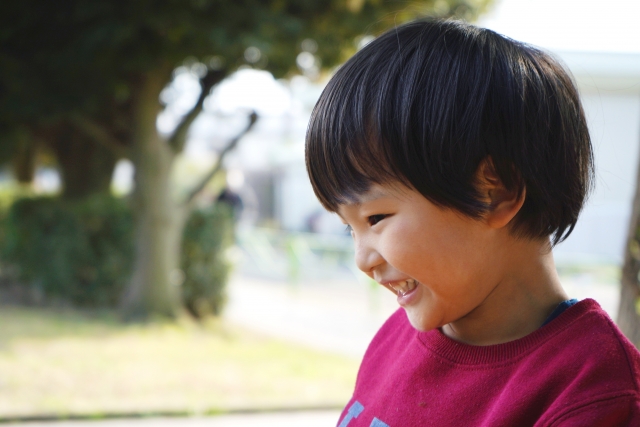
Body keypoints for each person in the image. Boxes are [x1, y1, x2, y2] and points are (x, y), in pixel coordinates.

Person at [305, 19, 640, 426]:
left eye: (376, 217)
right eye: (349, 227)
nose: (362, 259)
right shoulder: (395, 339)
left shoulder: (592, 392)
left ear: (494, 191)